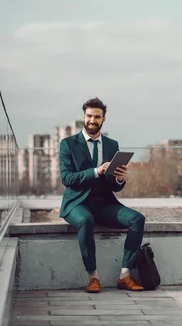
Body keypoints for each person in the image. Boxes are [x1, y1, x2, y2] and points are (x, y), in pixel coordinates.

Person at [59, 97, 145, 293]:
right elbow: (66, 178)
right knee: (86, 220)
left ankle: (125, 275)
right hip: (76, 204)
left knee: (137, 219)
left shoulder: (112, 145)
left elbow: (114, 187)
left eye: (97, 117)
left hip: (104, 204)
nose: (92, 120)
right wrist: (96, 171)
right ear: (83, 116)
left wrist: (120, 179)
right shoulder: (68, 144)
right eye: (89, 116)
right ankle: (93, 277)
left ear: (103, 119)